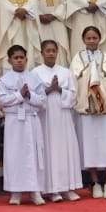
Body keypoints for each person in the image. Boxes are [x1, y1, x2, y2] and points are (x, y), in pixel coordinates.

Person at [72, 25, 106, 199]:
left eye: (95, 38)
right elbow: (74, 80)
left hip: (104, 109)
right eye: (89, 38)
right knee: (89, 145)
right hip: (87, 109)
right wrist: (88, 75)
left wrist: (99, 78)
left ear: (99, 39)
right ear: (83, 40)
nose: (92, 41)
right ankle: (94, 182)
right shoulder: (77, 58)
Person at [31, 39, 82, 202]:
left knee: (65, 149)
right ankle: (52, 189)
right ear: (42, 53)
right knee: (50, 150)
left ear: (57, 52)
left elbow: (74, 95)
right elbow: (32, 96)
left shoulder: (66, 72)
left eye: (53, 50)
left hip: (63, 115)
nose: (51, 53)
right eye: (48, 51)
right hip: (46, 116)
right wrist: (48, 90)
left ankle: (68, 187)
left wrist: (59, 89)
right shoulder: (35, 73)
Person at [0, 44, 46, 205]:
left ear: (26, 59)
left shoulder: (34, 78)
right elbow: (0, 101)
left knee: (33, 154)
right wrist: (19, 95)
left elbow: (42, 101)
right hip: (14, 121)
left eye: (22, 58)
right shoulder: (5, 80)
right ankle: (15, 191)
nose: (19, 61)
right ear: (9, 60)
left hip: (31, 120)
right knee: (14, 155)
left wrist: (29, 95)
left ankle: (35, 191)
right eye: (15, 58)